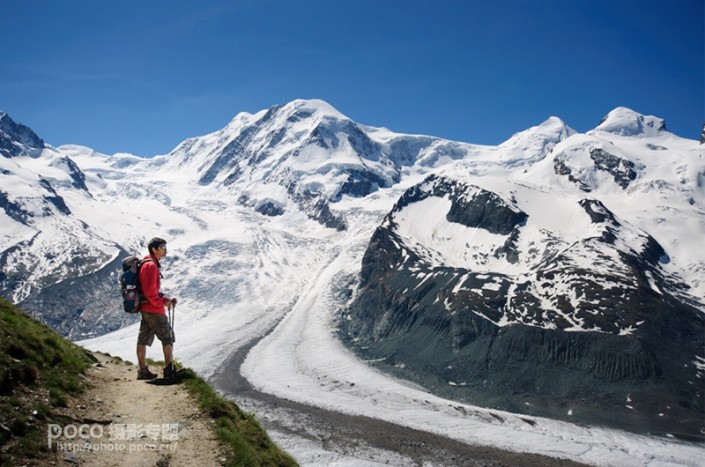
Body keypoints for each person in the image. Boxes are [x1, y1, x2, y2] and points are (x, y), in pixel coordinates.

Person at [136, 237, 178, 380]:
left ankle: (142, 371)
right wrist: (161, 303)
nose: (165, 249)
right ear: (154, 249)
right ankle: (169, 370)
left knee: (143, 339)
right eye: (162, 246)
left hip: (146, 308)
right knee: (168, 337)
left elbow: (152, 290)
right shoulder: (151, 266)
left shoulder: (148, 263)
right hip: (154, 310)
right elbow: (150, 291)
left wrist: (165, 300)